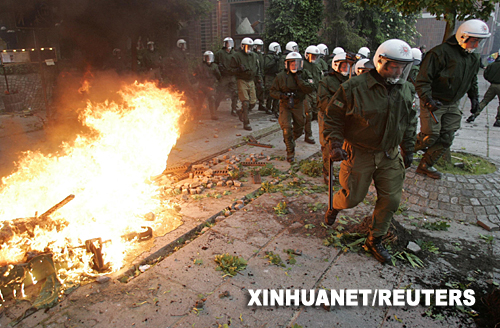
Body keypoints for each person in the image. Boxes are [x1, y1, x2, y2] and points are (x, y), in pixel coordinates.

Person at [323, 39, 417, 264]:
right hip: (360, 152)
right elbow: (333, 118)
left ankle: (375, 239)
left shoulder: (406, 89)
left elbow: (410, 121)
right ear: (380, 62)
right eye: (393, 66)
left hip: (389, 154)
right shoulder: (354, 87)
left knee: (391, 200)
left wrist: (409, 147)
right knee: (352, 199)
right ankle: (335, 205)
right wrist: (335, 144)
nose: (398, 71)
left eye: (402, 66)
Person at [415, 19, 491, 179]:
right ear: (463, 37)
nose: (476, 45)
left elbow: (472, 80)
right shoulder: (439, 53)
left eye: (479, 41)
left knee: (447, 136)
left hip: (452, 103)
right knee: (430, 136)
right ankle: (403, 152)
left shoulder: (473, 57)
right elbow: (422, 80)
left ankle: (425, 165)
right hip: (433, 101)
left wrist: (474, 99)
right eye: (474, 41)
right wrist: (428, 100)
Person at [270, 52, 315, 162]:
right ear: (287, 65)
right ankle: (290, 151)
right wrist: (282, 96)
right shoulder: (281, 76)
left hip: (298, 103)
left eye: (297, 64)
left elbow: (311, 87)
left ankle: (290, 139)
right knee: (286, 127)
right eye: (292, 64)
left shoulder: (305, 74)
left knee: (300, 126)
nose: (295, 67)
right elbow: (272, 91)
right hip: (285, 104)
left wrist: (300, 81)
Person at [317, 52, 352, 184]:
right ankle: (328, 172)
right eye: (343, 66)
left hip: (346, 116)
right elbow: (323, 101)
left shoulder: (351, 80)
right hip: (328, 116)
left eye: (347, 66)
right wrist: (340, 106)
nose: (346, 69)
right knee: (328, 145)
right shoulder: (326, 81)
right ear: (336, 65)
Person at [230, 37, 260, 131]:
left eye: (251, 47)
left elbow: (257, 68)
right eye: (247, 47)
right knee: (245, 102)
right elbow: (230, 70)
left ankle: (241, 112)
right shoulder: (236, 56)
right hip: (241, 80)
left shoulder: (254, 56)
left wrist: (259, 80)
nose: (249, 49)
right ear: (243, 46)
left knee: (253, 102)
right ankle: (246, 123)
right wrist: (238, 69)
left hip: (251, 80)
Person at [466, 54, 500, 125]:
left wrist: (490, 80)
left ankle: (474, 115)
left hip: (492, 85)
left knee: (484, 101)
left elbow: (486, 74)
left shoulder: (492, 65)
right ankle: (498, 120)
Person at [302, 45, 323, 144]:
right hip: (306, 92)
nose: (314, 58)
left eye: (316, 56)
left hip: (316, 92)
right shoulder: (303, 65)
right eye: (312, 56)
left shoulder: (318, 66)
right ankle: (308, 134)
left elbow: (320, 79)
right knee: (308, 114)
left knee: (318, 113)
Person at [193, 51, 221, 120]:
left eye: (210, 57)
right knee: (200, 100)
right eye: (207, 58)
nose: (209, 59)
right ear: (204, 58)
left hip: (210, 86)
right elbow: (195, 74)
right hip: (202, 86)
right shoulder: (200, 66)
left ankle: (213, 114)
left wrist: (215, 80)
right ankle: (198, 112)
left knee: (212, 98)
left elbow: (218, 76)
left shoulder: (214, 66)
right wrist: (199, 79)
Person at [214, 37, 239, 116]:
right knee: (220, 93)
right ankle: (214, 108)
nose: (229, 44)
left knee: (235, 93)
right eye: (227, 43)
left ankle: (234, 109)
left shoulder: (235, 54)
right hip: (223, 76)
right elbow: (214, 64)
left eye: (230, 42)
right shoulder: (219, 53)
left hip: (232, 76)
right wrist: (219, 67)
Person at [264, 42, 283, 118]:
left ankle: (275, 109)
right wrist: (274, 60)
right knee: (270, 93)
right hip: (269, 76)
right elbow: (266, 66)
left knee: (276, 92)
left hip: (275, 76)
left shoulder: (277, 56)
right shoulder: (269, 56)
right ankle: (268, 107)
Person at [252, 38, 270, 114]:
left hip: (261, 74)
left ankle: (261, 103)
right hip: (254, 75)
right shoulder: (253, 55)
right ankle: (251, 104)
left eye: (260, 47)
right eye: (258, 46)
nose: (259, 48)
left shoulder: (261, 55)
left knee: (261, 89)